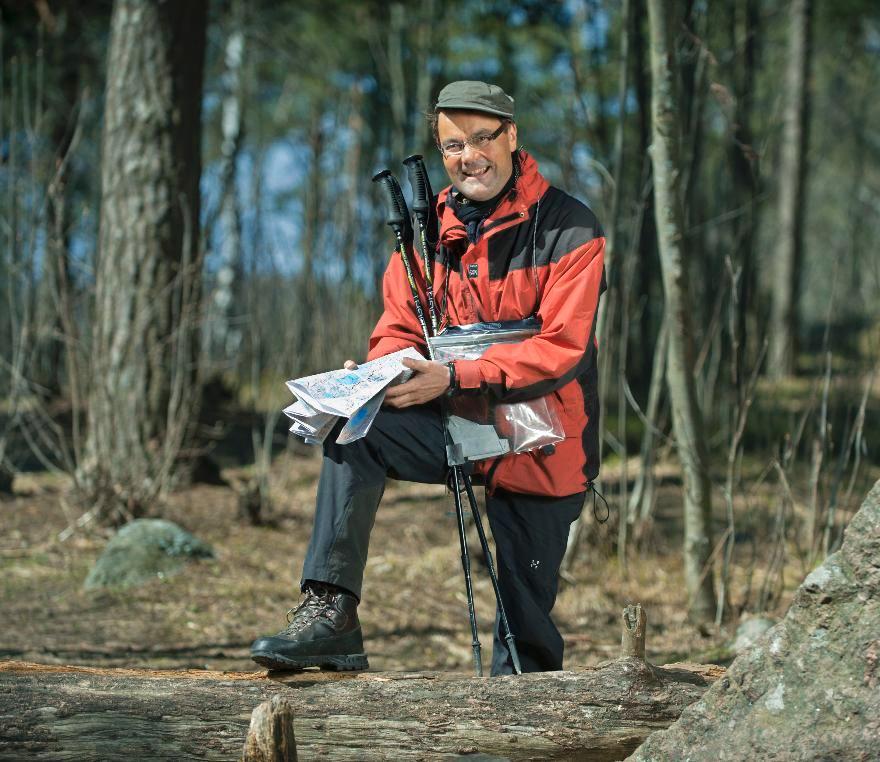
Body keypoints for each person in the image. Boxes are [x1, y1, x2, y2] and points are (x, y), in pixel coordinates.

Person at [250, 81, 606, 676]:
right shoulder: (423, 233)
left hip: (541, 441)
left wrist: (454, 374)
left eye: (482, 139)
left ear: (512, 137)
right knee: (353, 427)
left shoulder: (571, 226)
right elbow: (398, 326)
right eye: (452, 145)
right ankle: (331, 615)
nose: (469, 157)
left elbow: (561, 350)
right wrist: (379, 374)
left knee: (527, 636)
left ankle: (522, 729)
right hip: (457, 421)